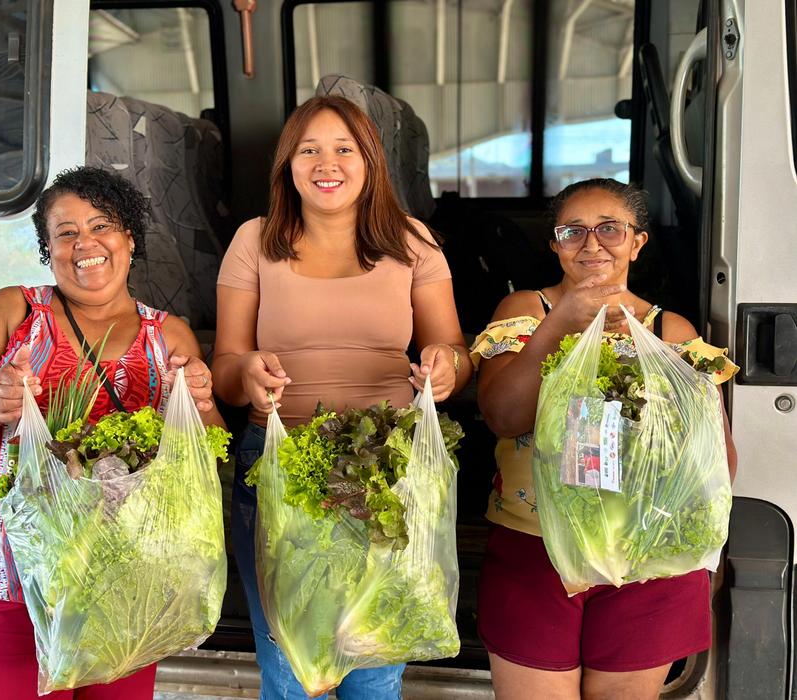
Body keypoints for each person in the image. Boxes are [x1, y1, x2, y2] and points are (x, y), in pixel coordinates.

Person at [0, 166, 222, 700]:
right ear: (49, 249)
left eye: (101, 226)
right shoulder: (13, 313)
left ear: (129, 238)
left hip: (130, 584)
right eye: (66, 233)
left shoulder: (168, 336)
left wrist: (199, 403)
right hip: (22, 582)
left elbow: (211, 456)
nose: (85, 243)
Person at [212, 94, 473, 699]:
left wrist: (445, 370)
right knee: (291, 669)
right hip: (279, 464)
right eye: (309, 150)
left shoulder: (411, 241)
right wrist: (247, 373)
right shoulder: (255, 240)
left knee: (375, 667)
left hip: (388, 474)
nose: (326, 164)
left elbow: (456, 352)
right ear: (288, 165)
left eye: (343, 149)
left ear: (370, 160)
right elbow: (225, 368)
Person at [472, 178, 738, 699]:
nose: (592, 244)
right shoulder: (526, 311)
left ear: (638, 242)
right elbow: (502, 416)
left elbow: (717, 460)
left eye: (610, 229)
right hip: (537, 549)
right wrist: (560, 326)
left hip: (649, 559)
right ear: (554, 244)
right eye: (573, 231)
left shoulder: (670, 333)